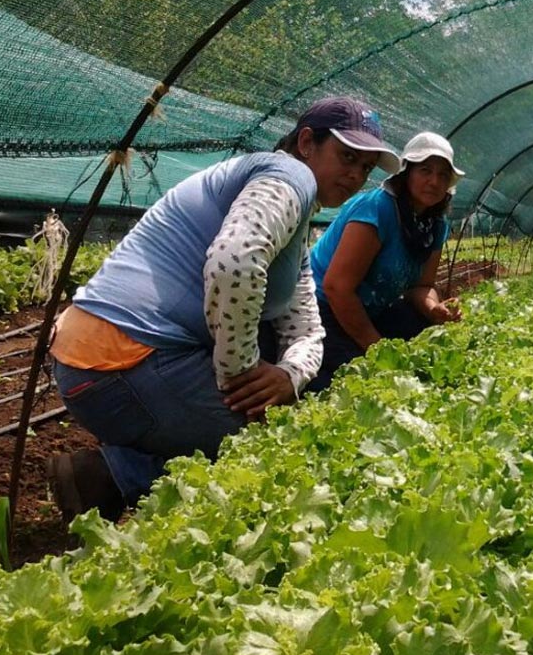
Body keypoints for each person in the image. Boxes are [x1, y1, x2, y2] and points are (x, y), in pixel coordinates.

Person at [47, 95, 400, 521]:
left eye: (365, 168)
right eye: (347, 156)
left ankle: (107, 473)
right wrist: (240, 374)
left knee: (280, 391)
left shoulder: (295, 220)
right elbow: (234, 262)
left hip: (99, 362)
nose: (356, 175)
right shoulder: (289, 175)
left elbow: (306, 326)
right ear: (307, 143)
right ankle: (117, 475)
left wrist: (290, 376)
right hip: (118, 366)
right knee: (273, 447)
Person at [307, 131, 464, 391]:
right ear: (407, 174)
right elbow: (337, 288)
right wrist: (377, 350)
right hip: (321, 308)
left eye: (443, 175)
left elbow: (421, 287)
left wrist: (433, 308)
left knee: (419, 325)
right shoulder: (377, 209)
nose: (434, 181)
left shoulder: (435, 225)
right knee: (347, 383)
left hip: (370, 309)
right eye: (425, 170)